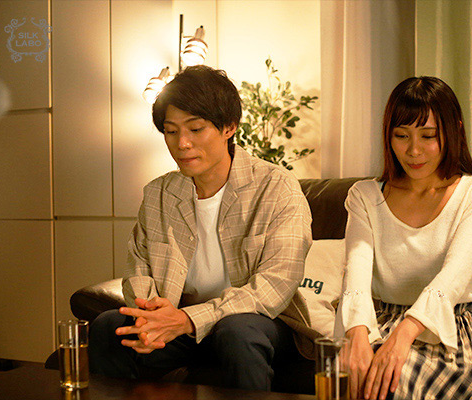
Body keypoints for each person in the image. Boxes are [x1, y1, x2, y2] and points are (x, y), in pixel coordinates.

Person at [89, 65, 313, 391]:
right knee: (108, 327)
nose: (182, 143)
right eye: (171, 131)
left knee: (238, 332)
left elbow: (275, 285)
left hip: (258, 322)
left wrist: (188, 319)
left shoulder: (276, 187)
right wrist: (151, 314)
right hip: (180, 324)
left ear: (229, 127)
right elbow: (139, 270)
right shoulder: (159, 194)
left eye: (196, 129)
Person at [335, 76, 472, 399]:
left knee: (392, 384)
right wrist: (356, 334)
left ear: (454, 131)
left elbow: (454, 276)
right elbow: (356, 273)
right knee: (351, 381)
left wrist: (404, 335)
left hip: (458, 330)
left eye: (428, 136)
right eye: (401, 135)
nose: (413, 150)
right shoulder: (364, 196)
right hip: (381, 322)